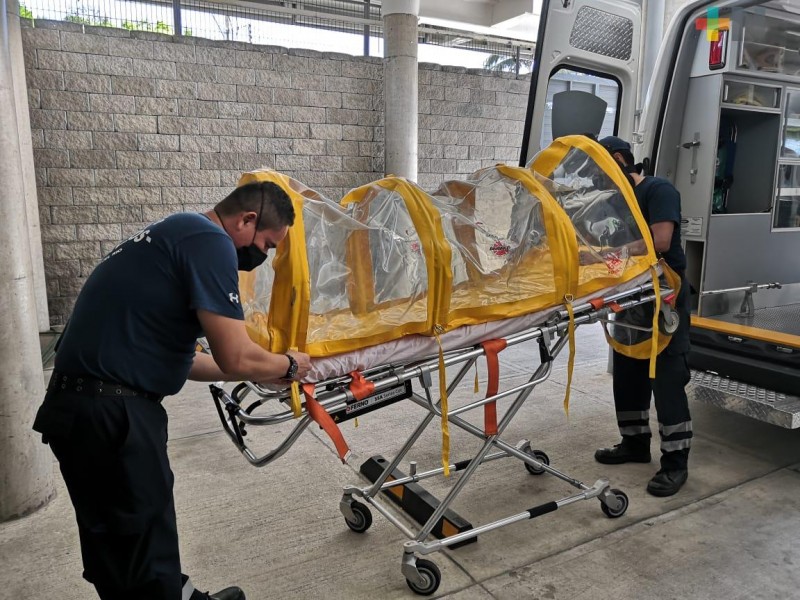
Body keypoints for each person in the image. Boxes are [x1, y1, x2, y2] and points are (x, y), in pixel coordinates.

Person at [33, 181, 312, 600]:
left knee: (115, 541)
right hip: (114, 415)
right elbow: (236, 354)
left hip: (77, 409)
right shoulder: (212, 242)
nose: (263, 258)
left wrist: (257, 372)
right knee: (143, 541)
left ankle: (175, 593)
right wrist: (289, 363)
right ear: (246, 221)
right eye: (267, 245)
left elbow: (187, 362)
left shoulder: (175, 234)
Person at [593, 136, 693, 497]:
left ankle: (675, 463)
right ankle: (634, 444)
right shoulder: (613, 201)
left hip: (663, 297)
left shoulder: (658, 190)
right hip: (630, 299)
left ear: (620, 160)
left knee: (666, 379)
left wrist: (606, 253)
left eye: (602, 171)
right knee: (628, 372)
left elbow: (660, 240)